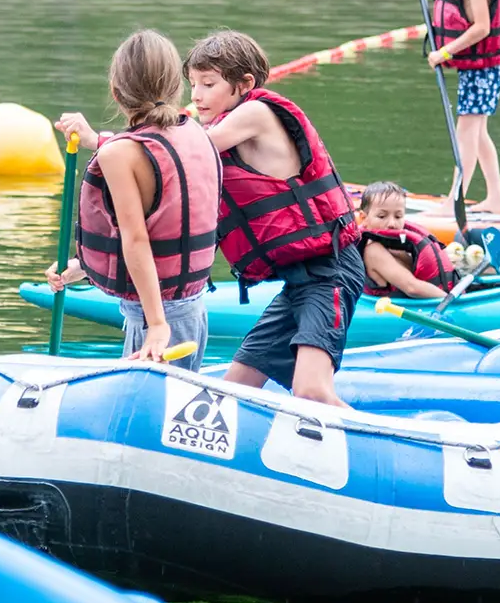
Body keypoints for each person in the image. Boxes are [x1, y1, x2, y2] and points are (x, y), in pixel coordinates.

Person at [187, 30, 363, 407]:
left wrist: (104, 142)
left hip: (330, 271)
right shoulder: (225, 132)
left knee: (311, 390)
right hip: (298, 282)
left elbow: (184, 151)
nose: (196, 95)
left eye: (208, 84)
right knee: (234, 391)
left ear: (244, 84)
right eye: (193, 84)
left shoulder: (254, 113)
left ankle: (385, 440)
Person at [45, 31, 219, 366]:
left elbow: (137, 240)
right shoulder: (196, 133)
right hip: (193, 311)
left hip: (157, 323)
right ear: (176, 87)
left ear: (115, 91)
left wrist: (156, 324)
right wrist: (82, 267)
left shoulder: (119, 155)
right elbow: (163, 213)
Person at [408, 0, 500, 216]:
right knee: (478, 135)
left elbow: (481, 27)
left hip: (481, 70)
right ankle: (496, 199)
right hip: (480, 69)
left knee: (466, 134)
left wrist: (444, 52)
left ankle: (455, 202)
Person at [358, 181, 456, 300]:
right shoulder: (373, 251)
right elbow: (412, 288)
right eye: (382, 216)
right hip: (394, 308)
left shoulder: (397, 247)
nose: (392, 223)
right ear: (364, 218)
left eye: (398, 216)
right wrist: (452, 300)